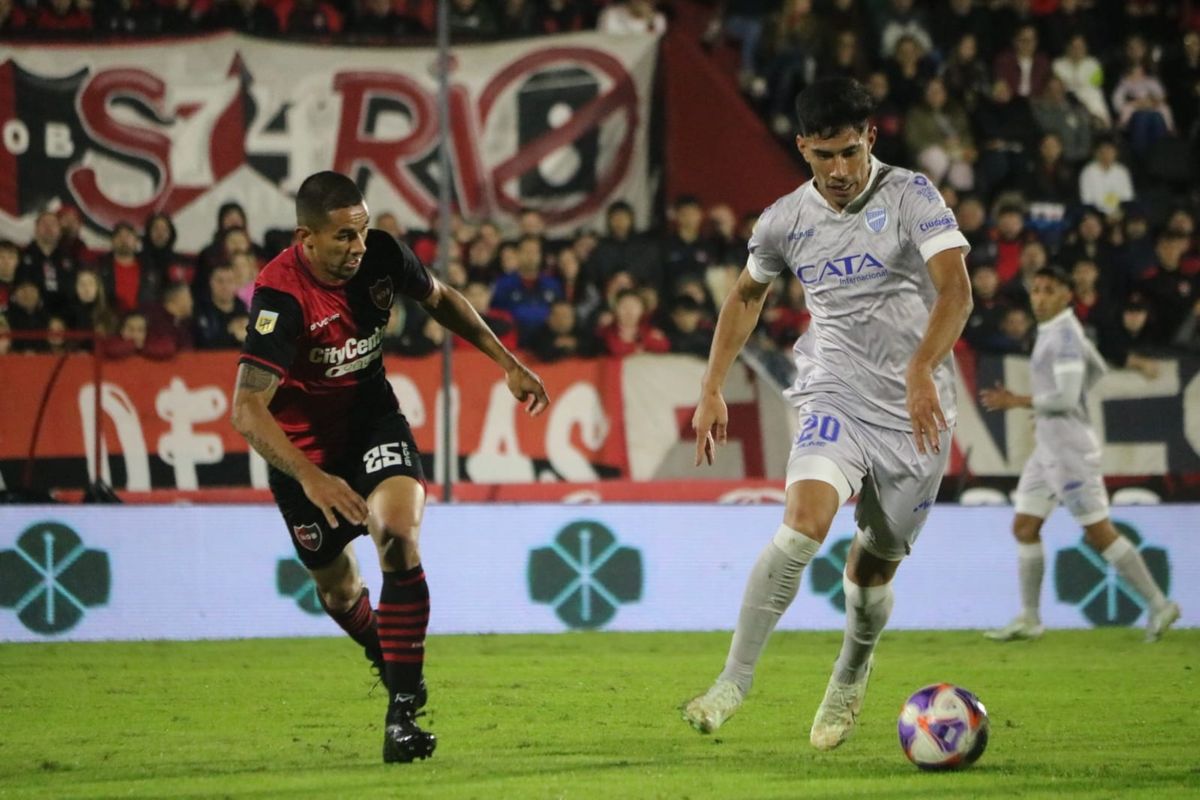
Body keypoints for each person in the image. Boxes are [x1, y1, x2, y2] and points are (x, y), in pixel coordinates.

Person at [682, 77, 973, 750]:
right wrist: (712, 386)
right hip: (832, 388)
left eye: (849, 152)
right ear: (802, 148)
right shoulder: (784, 218)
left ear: (870, 137)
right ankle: (731, 683)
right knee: (803, 524)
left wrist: (922, 366)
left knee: (872, 569)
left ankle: (851, 670)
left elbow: (955, 289)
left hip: (914, 409)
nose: (839, 171)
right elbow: (747, 295)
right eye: (823, 157)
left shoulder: (910, 195)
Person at [230, 171, 549, 764]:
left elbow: (443, 299)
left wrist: (507, 362)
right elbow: (247, 410)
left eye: (362, 231)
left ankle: (401, 712)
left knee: (398, 538)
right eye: (343, 238)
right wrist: (311, 477)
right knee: (338, 589)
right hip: (305, 454)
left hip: (373, 423)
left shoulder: (382, 256)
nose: (357, 247)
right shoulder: (279, 297)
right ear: (306, 238)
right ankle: (388, 652)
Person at [979, 267, 1180, 643]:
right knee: (1024, 526)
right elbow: (1099, 368)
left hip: (1070, 451)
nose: (1038, 297)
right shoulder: (1058, 330)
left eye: (1048, 291)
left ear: (1067, 295)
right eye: (1035, 290)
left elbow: (1067, 398)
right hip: (1049, 449)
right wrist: (1054, 408)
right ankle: (1030, 618)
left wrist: (1019, 401)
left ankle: (1159, 604)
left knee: (1098, 532)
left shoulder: (1066, 338)